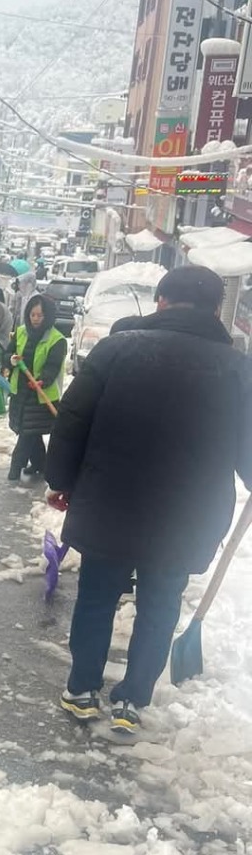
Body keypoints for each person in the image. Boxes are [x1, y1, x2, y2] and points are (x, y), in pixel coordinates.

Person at [46, 266, 252, 741]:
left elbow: (74, 418)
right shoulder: (236, 368)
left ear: (161, 302)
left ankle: (81, 689)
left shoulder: (116, 349)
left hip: (109, 503)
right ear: (214, 309)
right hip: (185, 517)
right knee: (159, 604)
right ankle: (132, 701)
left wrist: (61, 478)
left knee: (97, 597)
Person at [5, 294, 66, 484]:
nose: (36, 319)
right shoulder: (21, 332)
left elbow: (53, 366)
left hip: (41, 395)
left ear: (47, 316)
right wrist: (11, 360)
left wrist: (42, 381)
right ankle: (42, 465)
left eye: (40, 315)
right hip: (21, 391)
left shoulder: (57, 339)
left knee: (27, 433)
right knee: (30, 431)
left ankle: (15, 470)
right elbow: (9, 352)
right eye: (32, 314)